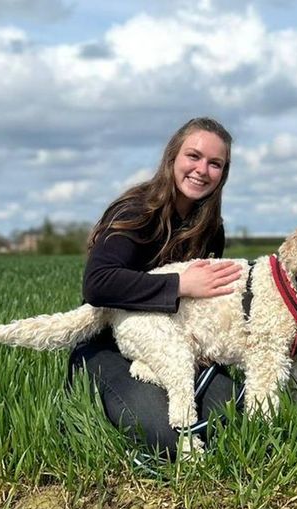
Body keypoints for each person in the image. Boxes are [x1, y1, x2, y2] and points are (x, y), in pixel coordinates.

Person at [67, 117, 243, 460]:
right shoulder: (137, 211)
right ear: (172, 157)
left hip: (173, 347)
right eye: (193, 156)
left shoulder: (210, 229)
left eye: (215, 163)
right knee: (168, 437)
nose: (202, 169)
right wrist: (179, 285)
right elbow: (97, 284)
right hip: (107, 346)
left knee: (237, 419)